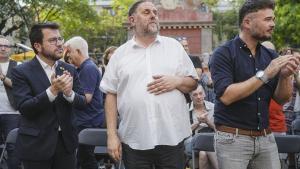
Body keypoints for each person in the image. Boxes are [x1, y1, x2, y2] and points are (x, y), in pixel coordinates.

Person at [100, 1, 198, 169]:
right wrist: (111, 135)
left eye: (155, 12)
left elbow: (193, 83)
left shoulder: (174, 47)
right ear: (132, 20)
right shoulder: (120, 55)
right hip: (134, 139)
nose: (153, 15)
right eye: (146, 12)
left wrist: (177, 81)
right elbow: (111, 94)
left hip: (171, 137)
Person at [209, 0, 300, 169]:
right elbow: (227, 96)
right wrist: (266, 74)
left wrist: (285, 77)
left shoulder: (270, 55)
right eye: (267, 19)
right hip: (232, 139)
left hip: (266, 137)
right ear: (247, 22)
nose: (273, 24)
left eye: (273, 19)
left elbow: (282, 99)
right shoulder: (223, 53)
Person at [11, 22, 86, 169]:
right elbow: (25, 108)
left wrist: (69, 93)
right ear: (37, 46)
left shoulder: (69, 69)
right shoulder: (21, 71)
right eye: (52, 40)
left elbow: (82, 103)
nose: (59, 44)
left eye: (60, 39)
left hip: (66, 144)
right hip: (36, 145)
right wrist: (52, 91)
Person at [64, 36, 104, 169]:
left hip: (88, 122)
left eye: (69, 51)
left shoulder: (88, 68)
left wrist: (66, 91)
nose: (67, 55)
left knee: (86, 159)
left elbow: (86, 98)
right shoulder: (82, 68)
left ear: (78, 51)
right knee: (81, 159)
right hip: (84, 121)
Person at [184, 85, 218, 169]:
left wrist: (207, 121)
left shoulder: (213, 107)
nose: (198, 97)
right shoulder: (185, 108)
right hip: (192, 142)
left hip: (212, 140)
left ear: (205, 94)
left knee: (203, 153)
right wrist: (198, 122)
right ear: (190, 96)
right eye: (195, 95)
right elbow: (183, 133)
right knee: (205, 146)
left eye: (200, 93)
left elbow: (219, 130)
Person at [0, 36, 21, 169]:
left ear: (10, 50)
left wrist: (3, 77)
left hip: (12, 112)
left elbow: (20, 86)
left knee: (13, 146)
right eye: (0, 45)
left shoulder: (18, 66)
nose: (2, 48)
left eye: (6, 46)